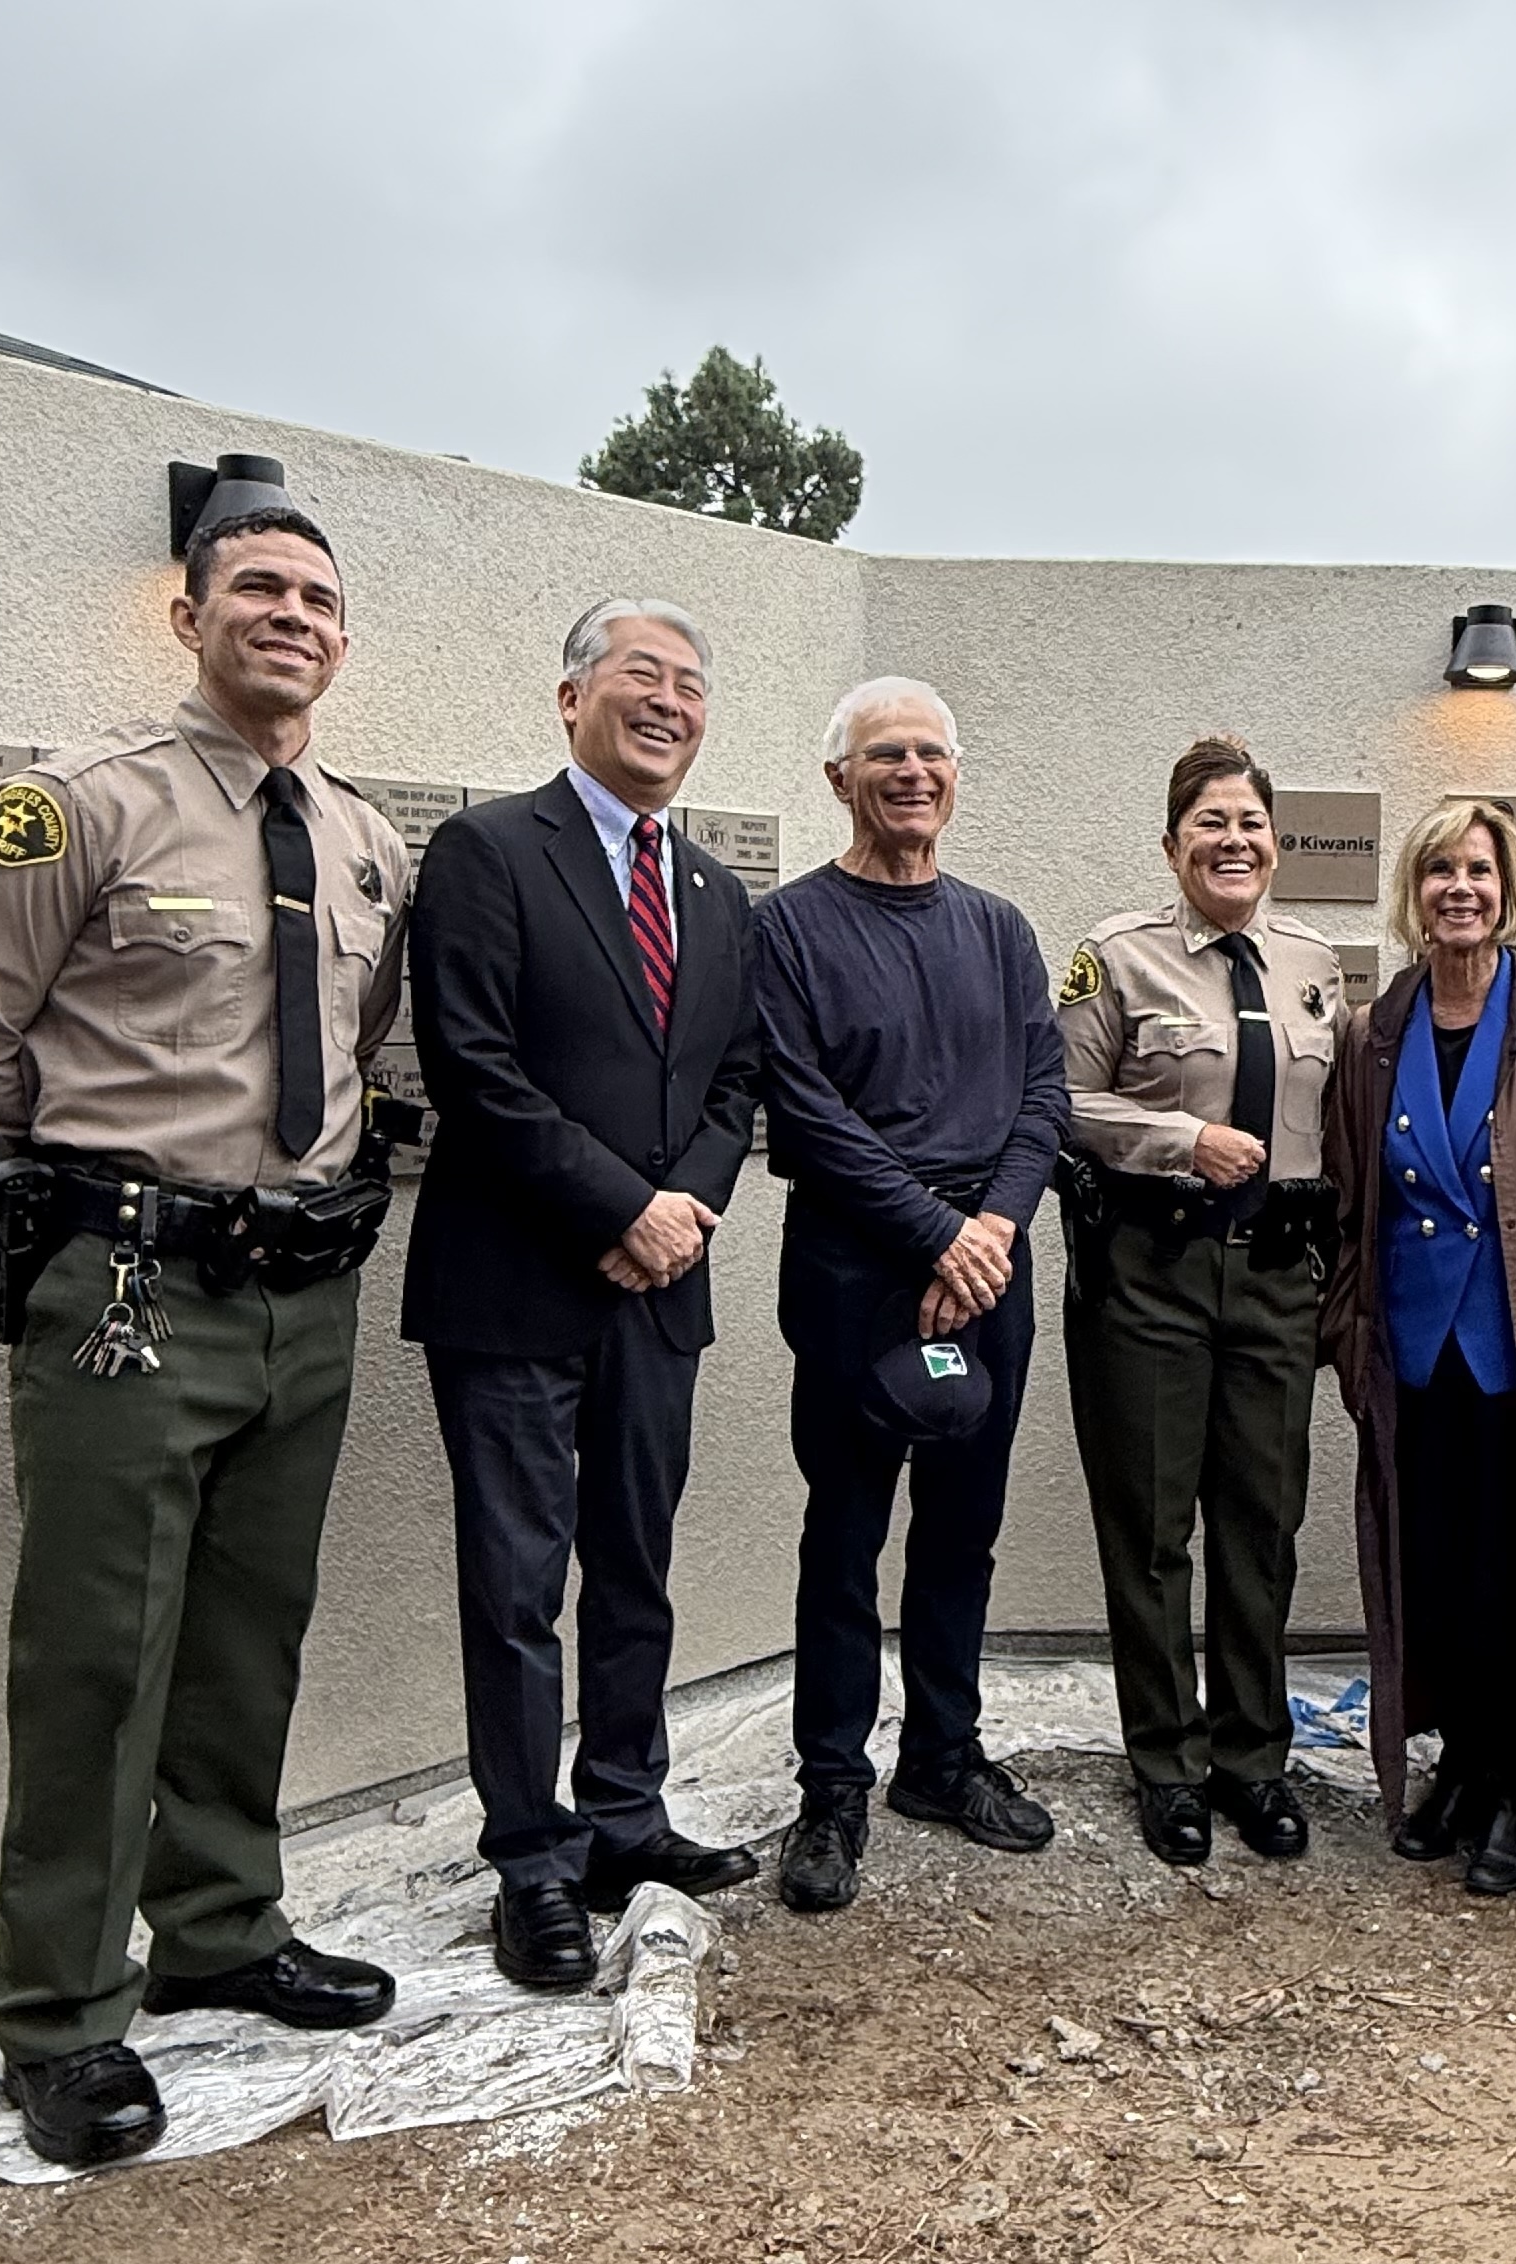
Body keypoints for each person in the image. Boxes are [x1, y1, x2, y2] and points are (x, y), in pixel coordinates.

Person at [0, 503, 408, 2166]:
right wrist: (34, 1221)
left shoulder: (364, 840)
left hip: (303, 1295)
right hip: (129, 1288)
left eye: (319, 595)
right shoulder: (81, 806)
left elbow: (354, 1037)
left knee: (251, 1633)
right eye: (259, 584)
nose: (291, 612)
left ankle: (221, 1926)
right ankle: (60, 2011)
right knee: (97, 1657)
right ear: (189, 609)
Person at [402, 600, 765, 1991]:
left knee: (635, 1568)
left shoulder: (719, 895)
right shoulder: (490, 853)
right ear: (572, 701)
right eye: (640, 677)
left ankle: (626, 1816)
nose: (668, 701)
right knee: (513, 1587)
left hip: (659, 1296)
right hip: (516, 1292)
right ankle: (533, 1861)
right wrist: (621, 1207)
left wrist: (681, 1217)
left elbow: (735, 1084)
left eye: (690, 682)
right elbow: (474, 1070)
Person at [752, 677, 1071, 1914]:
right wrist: (937, 1235)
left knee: (962, 1527)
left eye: (931, 753)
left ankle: (942, 1756)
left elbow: (1042, 1089)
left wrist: (987, 1229)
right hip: (854, 1270)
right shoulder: (786, 929)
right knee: (843, 1535)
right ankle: (831, 1782)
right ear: (838, 777)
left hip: (989, 1261)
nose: (912, 773)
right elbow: (807, 1113)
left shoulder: (999, 928)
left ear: (955, 774)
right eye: (884, 754)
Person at [1319, 800, 1516, 1895]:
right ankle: (1454, 1764)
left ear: (1509, 891)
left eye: (1480, 871)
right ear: (1413, 890)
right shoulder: (1377, 1028)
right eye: (1441, 869)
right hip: (1413, 1348)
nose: (1461, 887)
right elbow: (1354, 1191)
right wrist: (1347, 1333)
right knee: (1437, 1564)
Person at [1057, 735, 1343, 1868]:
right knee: (1152, 1530)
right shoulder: (1116, 957)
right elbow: (1062, 1100)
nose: (1233, 842)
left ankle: (1252, 1758)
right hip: (1153, 1270)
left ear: (1274, 841)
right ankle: (1167, 1764)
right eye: (1209, 824)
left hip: (1275, 1278)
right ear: (1171, 844)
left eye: (1250, 824)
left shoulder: (1314, 960)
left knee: (1261, 1527)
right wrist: (1181, 1136)